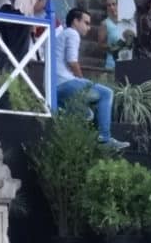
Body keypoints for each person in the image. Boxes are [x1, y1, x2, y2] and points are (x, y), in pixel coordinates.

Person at [55, 8, 128, 150]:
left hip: (56, 88)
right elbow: (72, 61)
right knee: (107, 93)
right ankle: (104, 139)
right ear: (75, 21)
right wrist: (83, 81)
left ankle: (83, 142)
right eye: (86, 23)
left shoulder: (63, 34)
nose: (89, 28)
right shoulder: (72, 33)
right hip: (65, 83)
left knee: (88, 114)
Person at [98, 0, 132, 70]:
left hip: (129, 62)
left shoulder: (126, 21)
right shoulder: (105, 24)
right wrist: (115, 47)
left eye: (114, 4)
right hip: (112, 64)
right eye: (108, 5)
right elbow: (100, 45)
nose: (112, 7)